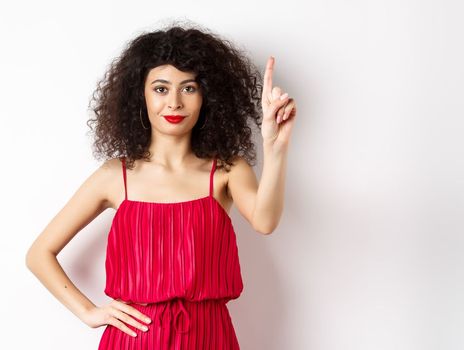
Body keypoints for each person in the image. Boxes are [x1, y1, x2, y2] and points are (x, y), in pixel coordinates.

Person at [24, 22, 297, 349]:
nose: (175, 103)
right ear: (140, 94)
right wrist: (88, 312)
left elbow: (265, 222)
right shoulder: (115, 176)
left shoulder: (226, 170)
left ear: (207, 95)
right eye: (161, 88)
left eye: (189, 88)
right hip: (134, 341)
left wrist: (275, 148)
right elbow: (39, 254)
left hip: (208, 339)